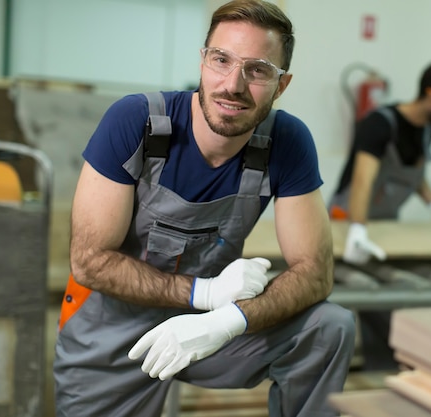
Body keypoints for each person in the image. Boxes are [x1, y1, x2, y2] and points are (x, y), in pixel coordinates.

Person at [53, 1, 355, 416]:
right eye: (221, 60)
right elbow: (89, 261)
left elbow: (315, 273)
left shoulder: (287, 142)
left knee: (330, 327)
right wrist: (206, 293)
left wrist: (225, 322)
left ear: (281, 85)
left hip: (210, 332)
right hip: (111, 336)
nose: (233, 84)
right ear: (202, 61)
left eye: (258, 69)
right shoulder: (135, 122)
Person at [328, 61, 431, 370]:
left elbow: (413, 173)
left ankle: (383, 369)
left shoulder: (428, 128)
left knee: (384, 300)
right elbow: (363, 180)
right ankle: (361, 367)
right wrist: (357, 229)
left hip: (384, 225)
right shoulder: (379, 124)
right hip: (348, 221)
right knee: (359, 296)